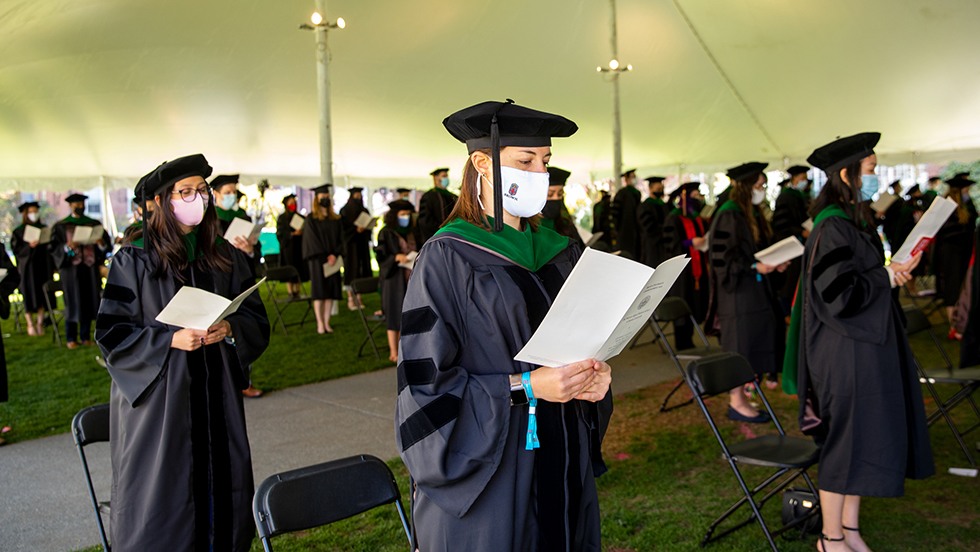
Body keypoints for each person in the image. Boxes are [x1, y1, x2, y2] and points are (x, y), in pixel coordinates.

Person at [396, 99, 613, 551]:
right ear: (482, 162)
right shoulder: (447, 257)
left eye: (546, 162)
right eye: (525, 161)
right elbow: (426, 384)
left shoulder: (560, 251)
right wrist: (527, 387)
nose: (540, 173)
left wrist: (594, 377)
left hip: (563, 449)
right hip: (495, 469)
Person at [95, 154, 270, 551]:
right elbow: (112, 333)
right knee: (164, 496)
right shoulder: (135, 257)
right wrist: (169, 340)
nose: (197, 199)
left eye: (201, 191)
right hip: (162, 401)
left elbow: (254, 318)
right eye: (186, 192)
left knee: (223, 490)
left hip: (216, 394)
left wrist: (229, 328)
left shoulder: (220, 252)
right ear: (160, 200)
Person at [783, 133, 933, 552]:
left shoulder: (850, 221)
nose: (875, 177)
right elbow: (839, 295)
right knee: (844, 443)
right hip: (844, 354)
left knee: (862, 440)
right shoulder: (832, 226)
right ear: (846, 174)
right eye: (870, 170)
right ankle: (830, 539)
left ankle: (850, 530)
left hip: (863, 349)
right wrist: (886, 275)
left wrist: (891, 271)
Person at [707, 161, 787, 418]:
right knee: (741, 347)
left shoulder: (746, 213)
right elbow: (724, 261)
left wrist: (771, 263)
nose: (762, 189)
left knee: (751, 345)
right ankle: (736, 401)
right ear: (745, 187)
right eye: (759, 185)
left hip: (751, 292)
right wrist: (755, 266)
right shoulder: (730, 214)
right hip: (737, 296)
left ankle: (743, 396)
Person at [210, 174, 263, 397]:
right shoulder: (209, 220)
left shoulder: (242, 217)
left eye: (234, 191)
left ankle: (245, 381)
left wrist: (249, 249)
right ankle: (223, 385)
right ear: (215, 194)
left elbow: (255, 252)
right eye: (228, 191)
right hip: (219, 281)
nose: (232, 195)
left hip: (242, 280)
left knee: (242, 328)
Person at [49, 193, 110, 349]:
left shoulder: (93, 224)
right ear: (70, 206)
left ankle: (85, 336)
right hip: (71, 270)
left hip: (90, 269)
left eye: (82, 204)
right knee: (72, 301)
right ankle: (71, 337)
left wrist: (101, 243)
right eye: (76, 204)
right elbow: (54, 249)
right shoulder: (61, 226)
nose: (80, 206)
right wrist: (67, 248)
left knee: (89, 301)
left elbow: (105, 248)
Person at [663, 182, 709, 350]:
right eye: (695, 195)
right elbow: (669, 244)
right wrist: (689, 242)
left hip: (697, 267)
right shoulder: (673, 217)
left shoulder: (696, 217)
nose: (698, 198)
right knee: (684, 299)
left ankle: (690, 337)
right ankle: (681, 342)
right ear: (685, 197)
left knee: (694, 301)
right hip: (682, 270)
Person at [375, 199, 420, 363]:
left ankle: (406, 348)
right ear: (395, 216)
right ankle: (393, 352)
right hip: (393, 279)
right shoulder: (386, 232)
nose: (406, 217)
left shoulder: (412, 231)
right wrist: (394, 257)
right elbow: (380, 254)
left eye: (408, 214)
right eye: (402, 214)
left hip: (411, 276)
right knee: (394, 313)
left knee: (408, 312)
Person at [302, 184, 344, 334]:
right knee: (320, 293)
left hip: (333, 260)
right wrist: (325, 256)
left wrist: (335, 254)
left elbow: (341, 239)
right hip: (318, 261)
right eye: (322, 197)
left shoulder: (336, 219)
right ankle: (319, 323)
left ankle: (327, 322)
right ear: (316, 199)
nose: (325, 199)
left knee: (331, 292)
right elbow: (311, 241)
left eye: (327, 197)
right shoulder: (311, 220)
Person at [772, 165, 811, 317]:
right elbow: (781, 224)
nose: (804, 182)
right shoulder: (785, 197)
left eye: (805, 179)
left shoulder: (800, 196)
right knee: (789, 279)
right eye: (802, 178)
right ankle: (786, 312)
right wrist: (800, 231)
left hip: (800, 243)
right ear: (794, 179)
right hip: (789, 243)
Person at [11, 201, 53, 336]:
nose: (34, 214)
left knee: (42, 294)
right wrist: (29, 246)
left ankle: (40, 323)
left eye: (35, 211)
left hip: (42, 266)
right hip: (27, 268)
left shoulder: (43, 228)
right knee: (28, 295)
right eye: (31, 212)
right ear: (26, 214)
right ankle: (30, 323)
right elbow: (16, 250)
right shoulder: (19, 231)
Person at [339, 187, 374, 310]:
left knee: (361, 269)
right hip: (350, 246)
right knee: (351, 270)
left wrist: (365, 229)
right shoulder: (344, 211)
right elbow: (342, 231)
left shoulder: (364, 210)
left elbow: (369, 227)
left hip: (362, 244)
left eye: (360, 195)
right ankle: (350, 298)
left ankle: (359, 298)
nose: (358, 197)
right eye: (356, 195)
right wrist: (355, 230)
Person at [540, 166, 585, 247]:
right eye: (550, 194)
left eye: (560, 194)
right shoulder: (529, 225)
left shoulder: (565, 222)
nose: (556, 198)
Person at [275, 193, 308, 297]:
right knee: (289, 267)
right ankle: (290, 291)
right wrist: (292, 234)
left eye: (294, 203)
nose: (293, 205)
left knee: (299, 268)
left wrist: (301, 232)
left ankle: (297, 290)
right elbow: (280, 233)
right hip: (288, 247)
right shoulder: (282, 218)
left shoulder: (300, 217)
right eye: (291, 203)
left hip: (299, 246)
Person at [418, 167, 458, 245]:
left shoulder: (452, 196)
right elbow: (425, 221)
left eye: (447, 176)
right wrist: (442, 230)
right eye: (443, 176)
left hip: (452, 235)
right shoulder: (429, 196)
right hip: (436, 237)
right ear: (436, 178)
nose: (446, 178)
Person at [636, 176, 669, 268]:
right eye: (658, 189)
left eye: (661, 189)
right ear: (650, 188)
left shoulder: (664, 205)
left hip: (665, 246)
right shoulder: (644, 206)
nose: (660, 191)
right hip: (651, 246)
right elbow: (648, 228)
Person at [610, 168, 642, 259]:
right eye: (632, 177)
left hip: (635, 230)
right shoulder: (621, 193)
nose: (634, 179)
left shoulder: (637, 193)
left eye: (635, 177)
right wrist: (616, 229)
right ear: (626, 179)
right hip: (624, 229)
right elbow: (615, 213)